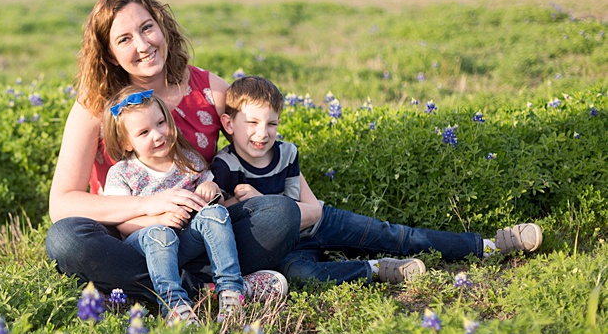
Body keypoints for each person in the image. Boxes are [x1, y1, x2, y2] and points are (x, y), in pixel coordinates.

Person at [45, 0, 297, 303]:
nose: (143, 44)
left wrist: (309, 208)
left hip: (200, 230)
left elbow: (266, 142)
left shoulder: (209, 90)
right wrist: (149, 205)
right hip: (129, 237)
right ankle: (207, 287)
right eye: (124, 39)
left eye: (147, 27)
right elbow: (63, 204)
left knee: (280, 214)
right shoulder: (94, 105)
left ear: (161, 26)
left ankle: (144, 291)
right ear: (109, 53)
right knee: (66, 239)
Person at [211, 76, 544, 285]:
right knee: (302, 276)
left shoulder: (287, 152)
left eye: (271, 124)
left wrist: (265, 202)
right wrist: (254, 206)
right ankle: (375, 269)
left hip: (319, 222)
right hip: (288, 248)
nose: (262, 133)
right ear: (228, 124)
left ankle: (486, 245)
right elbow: (219, 212)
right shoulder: (225, 164)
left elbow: (307, 206)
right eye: (251, 122)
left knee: (394, 234)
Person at [102, 86, 246, 323]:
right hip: (146, 245)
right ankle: (176, 306)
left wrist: (213, 190)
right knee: (159, 233)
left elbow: (216, 199)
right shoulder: (122, 173)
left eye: (160, 123)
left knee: (217, 213)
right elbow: (121, 222)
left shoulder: (187, 160)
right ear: (126, 143)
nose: (157, 135)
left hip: (187, 241)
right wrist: (156, 220)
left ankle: (230, 291)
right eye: (144, 132)